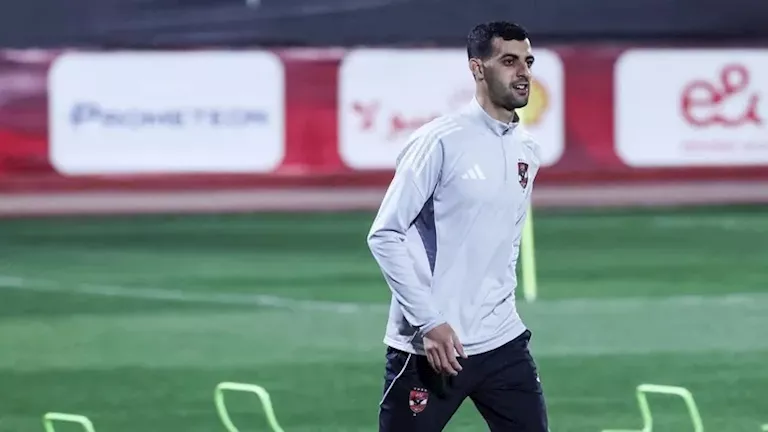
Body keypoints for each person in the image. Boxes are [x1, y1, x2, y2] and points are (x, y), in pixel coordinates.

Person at [366, 21, 549, 431]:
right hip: (434, 346)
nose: (523, 72)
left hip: (502, 341)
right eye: (509, 61)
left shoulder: (527, 150)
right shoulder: (439, 141)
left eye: (528, 61)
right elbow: (385, 235)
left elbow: (504, 246)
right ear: (477, 68)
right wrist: (429, 322)